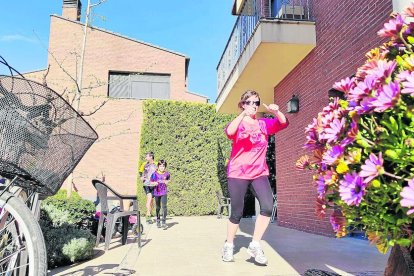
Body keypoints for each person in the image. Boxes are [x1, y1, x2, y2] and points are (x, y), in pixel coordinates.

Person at [221, 90, 289, 265]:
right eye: (249, 102)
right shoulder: (239, 123)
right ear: (243, 104)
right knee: (236, 212)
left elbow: (283, 123)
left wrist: (276, 112)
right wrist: (243, 114)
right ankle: (229, 245)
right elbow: (229, 132)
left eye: (256, 103)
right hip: (238, 173)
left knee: (267, 206)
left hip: (259, 172)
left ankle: (255, 244)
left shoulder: (263, 124)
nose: (253, 106)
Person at [150, 160, 170, 229]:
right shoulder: (154, 174)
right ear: (158, 166)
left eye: (163, 166)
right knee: (158, 207)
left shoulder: (167, 174)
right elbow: (151, 181)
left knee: (164, 207)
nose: (162, 167)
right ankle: (158, 220)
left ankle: (164, 222)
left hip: (164, 192)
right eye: (160, 166)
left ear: (165, 167)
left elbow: (168, 180)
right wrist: (154, 183)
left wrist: (167, 182)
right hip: (157, 192)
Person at [139, 152, 158, 224]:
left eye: (147, 156)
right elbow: (140, 171)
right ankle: (148, 215)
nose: (146, 158)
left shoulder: (156, 164)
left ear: (151, 157)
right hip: (146, 184)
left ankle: (149, 214)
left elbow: (159, 172)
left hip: (154, 185)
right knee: (149, 198)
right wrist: (141, 177)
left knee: (152, 201)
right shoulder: (144, 164)